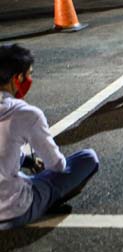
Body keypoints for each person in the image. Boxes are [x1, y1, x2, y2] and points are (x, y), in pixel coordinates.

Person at [0, 44, 99, 230]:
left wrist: (27, 160)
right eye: (28, 75)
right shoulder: (26, 114)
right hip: (13, 210)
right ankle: (46, 202)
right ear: (17, 78)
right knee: (87, 158)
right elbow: (57, 165)